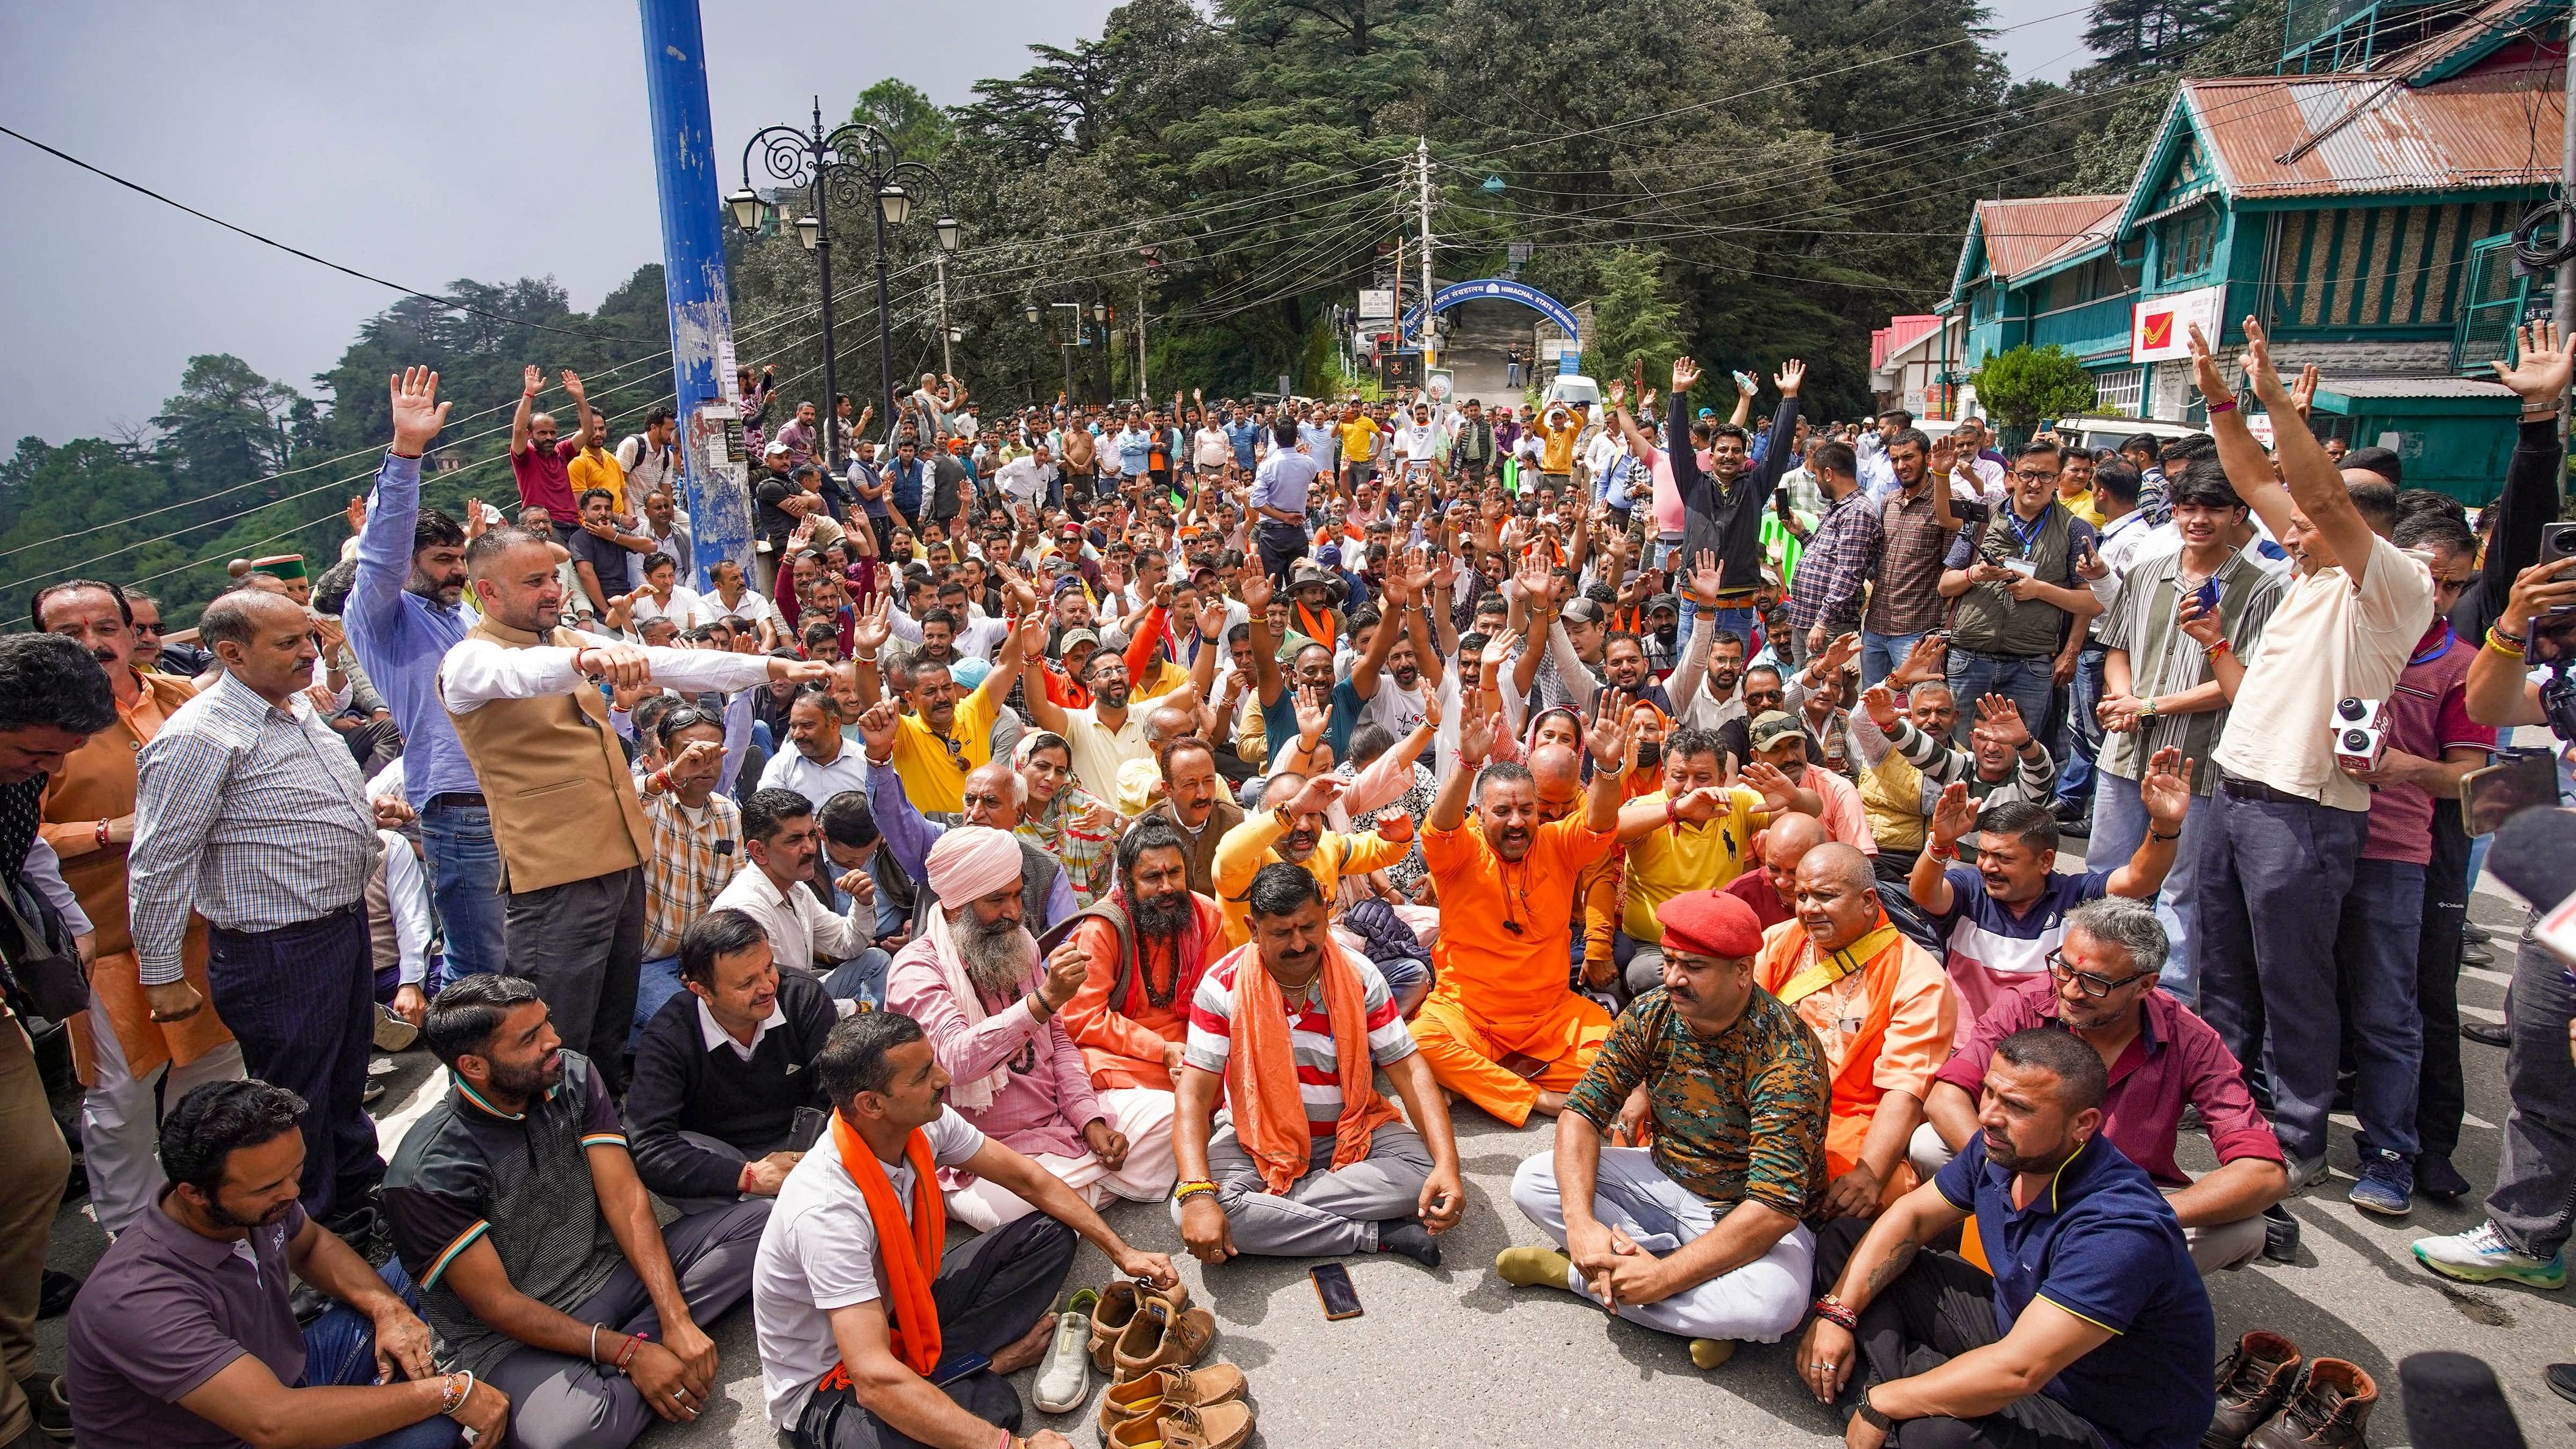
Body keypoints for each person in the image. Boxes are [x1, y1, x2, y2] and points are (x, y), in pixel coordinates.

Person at [2182, 320, 2436, 1194]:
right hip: (2234, 793)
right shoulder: (2308, 574)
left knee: (2290, 982)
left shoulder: (2393, 584)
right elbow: (2254, 475)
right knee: (2223, 968)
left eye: (2307, 520)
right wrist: (2220, 395)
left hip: (2304, 810)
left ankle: (2296, 1140)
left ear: (2355, 524)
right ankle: (2226, 1110)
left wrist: (2272, 404)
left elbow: (2316, 497)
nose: (2285, 529)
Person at [440, 524, 826, 1090]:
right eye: (535, 581)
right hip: (555, 878)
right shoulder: (470, 660)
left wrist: (770, 669)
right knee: (552, 1038)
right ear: (488, 593)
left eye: (554, 576)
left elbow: (672, 664)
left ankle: (600, 1136)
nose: (554, 589)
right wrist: (591, 660)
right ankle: (548, 1156)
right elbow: (519, 675)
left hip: (622, 869)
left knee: (606, 1031)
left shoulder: (570, 644)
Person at [752, 1011, 1180, 1449]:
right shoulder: (827, 1211)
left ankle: (957, 1374)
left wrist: (1122, 1252)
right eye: (923, 1075)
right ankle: (978, 1368)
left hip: (900, 1309)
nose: (943, 1077)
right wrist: (1014, 1447)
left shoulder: (923, 1121)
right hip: (833, 1384)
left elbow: (1029, 1180)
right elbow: (873, 1377)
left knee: (1049, 1231)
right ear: (872, 1104)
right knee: (990, 1414)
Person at [384, 975, 763, 1449]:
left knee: (763, 1223)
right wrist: (628, 1351)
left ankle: (634, 1356)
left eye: (547, 1022)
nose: (554, 1041)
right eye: (530, 1038)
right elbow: (499, 1306)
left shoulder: (572, 1073)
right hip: (515, 1336)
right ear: (474, 1066)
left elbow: (626, 1198)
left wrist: (676, 1317)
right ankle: (634, 1359)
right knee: (574, 1433)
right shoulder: (428, 1174)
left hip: (609, 1274)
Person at [1797, 1027, 2215, 1449]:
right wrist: (1839, 1313)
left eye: (2016, 1106)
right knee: (1849, 1239)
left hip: (2100, 1415)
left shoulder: (2118, 1229)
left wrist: (1881, 1400)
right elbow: (1913, 1216)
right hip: (2015, 1330)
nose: (1987, 1116)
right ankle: (1916, 1393)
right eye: (1988, 1092)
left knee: (1937, 1436)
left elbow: (2020, 1369)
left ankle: (1890, 1396)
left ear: (2083, 1124)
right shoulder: (2004, 1146)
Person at [129, 587, 397, 1232]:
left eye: (309, 637)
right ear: (231, 653)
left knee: (343, 1076)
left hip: (339, 925)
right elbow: (159, 860)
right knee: (298, 1094)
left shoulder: (297, 708)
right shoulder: (200, 735)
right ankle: (314, 1234)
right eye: (289, 643)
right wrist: (162, 973)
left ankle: (363, 1196)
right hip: (278, 949)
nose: (310, 652)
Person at [66, 1079, 507, 1449]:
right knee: (436, 1431)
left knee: (439, 1260)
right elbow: (272, 1422)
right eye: (271, 1185)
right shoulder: (136, 1298)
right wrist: (447, 1393)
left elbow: (312, 1243)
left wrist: (387, 1310)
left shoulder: (254, 1202)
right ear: (193, 1193)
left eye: (296, 1171)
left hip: (288, 1374)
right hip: (247, 1429)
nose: (293, 1192)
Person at [1498, 887, 1828, 1368]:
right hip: (1663, 1177)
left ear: (1742, 971)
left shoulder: (1785, 1056)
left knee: (1775, 1304)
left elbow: (1772, 1209)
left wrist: (1662, 1278)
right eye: (1670, 961)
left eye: (1692, 967)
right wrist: (1582, 1225)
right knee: (1533, 1179)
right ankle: (1694, 1305)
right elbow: (1582, 1112)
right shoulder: (1653, 1012)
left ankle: (1578, 1276)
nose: (1672, 979)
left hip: (1742, 1214)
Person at [1909, 898, 2289, 1275]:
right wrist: (2011, 1179)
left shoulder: (2193, 1040)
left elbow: (2264, 1172)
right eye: (2065, 969)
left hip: (2123, 1198)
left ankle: (2072, 1260)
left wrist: (2139, 1213)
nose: (2071, 991)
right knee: (1929, 1144)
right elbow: (1946, 1098)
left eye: (2095, 982)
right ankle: (2086, 1267)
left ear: (2146, 985)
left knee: (2246, 1229)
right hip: (2022, 1171)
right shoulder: (2028, 1003)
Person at [31, 579, 245, 1239]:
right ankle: (135, 1236)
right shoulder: (35, 728)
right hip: (111, 946)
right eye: (69, 636)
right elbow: (23, 838)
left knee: (211, 1079)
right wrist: (106, 831)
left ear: (131, 633)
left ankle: (212, 1217)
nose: (93, 645)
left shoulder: (179, 699)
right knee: (123, 1101)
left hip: (207, 928)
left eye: (105, 628)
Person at [883, 827, 1177, 1231]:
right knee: (1006, 1211)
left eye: (1017, 894)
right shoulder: (917, 969)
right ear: (954, 906)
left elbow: (1059, 1043)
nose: (1013, 911)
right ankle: (1078, 1195)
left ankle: (1064, 1204)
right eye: (996, 899)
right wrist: (1043, 1000)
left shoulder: (1019, 943)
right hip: (986, 1153)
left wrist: (1090, 1120)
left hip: (1057, 1125)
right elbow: (954, 1060)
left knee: (1169, 1113)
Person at [1170, 863, 1464, 1265]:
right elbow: (1192, 1093)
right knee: (1187, 1208)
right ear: (1253, 929)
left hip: (1351, 1130)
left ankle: (1276, 1211)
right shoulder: (1222, 985)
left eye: (1308, 927)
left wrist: (1448, 1166)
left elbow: (1409, 1071)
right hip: (1253, 1139)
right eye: (1280, 932)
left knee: (1426, 1173)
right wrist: (1199, 1195)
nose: (1299, 944)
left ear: (1325, 915)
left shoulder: (1359, 975)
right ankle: (1372, 1233)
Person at [346, 368, 505, 979]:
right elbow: (382, 550)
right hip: (460, 809)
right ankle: (470, 1073)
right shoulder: (382, 613)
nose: (455, 572)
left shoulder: (459, 609)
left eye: (461, 559)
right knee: (480, 965)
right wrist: (407, 452)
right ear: (407, 565)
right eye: (442, 560)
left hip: (506, 796)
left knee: (517, 953)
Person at [1410, 696, 1629, 1125]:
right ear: (1480, 814)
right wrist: (1468, 766)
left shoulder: (1556, 845)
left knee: (1619, 1058)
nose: (1517, 821)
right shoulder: (1459, 854)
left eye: (1527, 809)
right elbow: (1440, 826)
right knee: (1419, 1041)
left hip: (1547, 1016)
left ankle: (1482, 1080)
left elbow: (1599, 825)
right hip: (1468, 1013)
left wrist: (1606, 770)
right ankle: (1539, 1097)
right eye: (1503, 810)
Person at [0, 633, 114, 1449]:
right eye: (32, 750)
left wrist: (70, 923)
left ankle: (15, 1359)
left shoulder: (19, 777)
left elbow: (27, 846)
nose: (41, 769)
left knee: (34, 1163)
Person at [1753, 843, 1956, 1217]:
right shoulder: (1779, 941)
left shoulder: (1917, 978)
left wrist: (1870, 1174)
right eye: (1801, 896)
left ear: (1867, 901)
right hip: (1761, 1102)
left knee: (1827, 1196)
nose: (1808, 909)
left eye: (1825, 896)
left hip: (1850, 1122)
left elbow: (1905, 1091)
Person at [1909, 763, 2185, 1030]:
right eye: (1983, 854)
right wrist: (1940, 844)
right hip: (1964, 1051)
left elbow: (2141, 879)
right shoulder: (1968, 890)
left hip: (2047, 1055)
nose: (1988, 867)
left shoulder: (2076, 896)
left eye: (2003, 858)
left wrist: (2164, 824)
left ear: (2046, 861)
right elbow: (1924, 894)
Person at [627, 910, 845, 1213]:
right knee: (683, 1151)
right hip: (725, 1162)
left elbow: (834, 1093)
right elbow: (648, 1144)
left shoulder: (801, 997)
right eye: (747, 984)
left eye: (769, 968)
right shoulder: (670, 1036)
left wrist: (803, 1163)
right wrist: (747, 1176)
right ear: (703, 992)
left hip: (806, 1150)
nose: (768, 987)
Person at [1939, 439, 2102, 736]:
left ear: (2059, 479)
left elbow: (2091, 603)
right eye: (2027, 474)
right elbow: (1945, 586)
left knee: (2022, 754)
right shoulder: (1981, 519)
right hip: (1969, 658)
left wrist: (2070, 649)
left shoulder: (2075, 528)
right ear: (2012, 476)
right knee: (1962, 750)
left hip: (2031, 665)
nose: (2035, 484)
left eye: (2046, 476)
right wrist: (1975, 574)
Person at [1059, 817, 1230, 1091]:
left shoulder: (1206, 917)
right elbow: (1082, 1019)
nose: (1167, 887)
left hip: (1193, 1047)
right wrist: (1161, 1050)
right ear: (1126, 880)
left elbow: (1218, 1004)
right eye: (1152, 877)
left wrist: (1195, 1055)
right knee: (1087, 1066)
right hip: (1125, 1053)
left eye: (1175, 873)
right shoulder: (1103, 928)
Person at [710, 790, 894, 1007]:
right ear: (759, 851)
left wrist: (863, 902)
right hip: (771, 1013)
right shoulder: (747, 909)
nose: (810, 848)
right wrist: (852, 1009)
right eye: (794, 840)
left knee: (876, 960)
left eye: (811, 836)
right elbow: (770, 999)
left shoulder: (795, 889)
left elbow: (846, 945)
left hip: (797, 997)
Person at [1211, 771, 1411, 948]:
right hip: (1253, 979)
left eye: (1312, 813)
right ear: (1267, 820)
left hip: (1318, 970)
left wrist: (1401, 837)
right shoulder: (1249, 863)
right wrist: (1291, 810)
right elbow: (1227, 857)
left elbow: (1378, 849)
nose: (1304, 826)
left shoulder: (1327, 846)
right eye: (1294, 815)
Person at [1136, 735, 1245, 897]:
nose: (1202, 794)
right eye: (1190, 784)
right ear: (1168, 789)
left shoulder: (1238, 822)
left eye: (1209, 781)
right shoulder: (1142, 829)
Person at [508, 365, 584, 521]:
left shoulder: (562, 450)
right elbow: (518, 430)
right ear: (530, 435)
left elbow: (587, 432)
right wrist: (529, 394)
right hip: (543, 522)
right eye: (543, 433)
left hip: (572, 522)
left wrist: (580, 398)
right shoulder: (524, 454)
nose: (549, 437)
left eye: (553, 432)